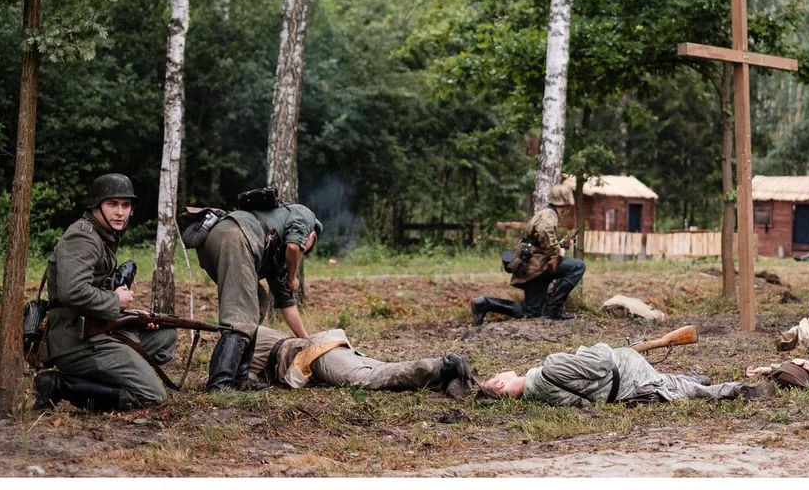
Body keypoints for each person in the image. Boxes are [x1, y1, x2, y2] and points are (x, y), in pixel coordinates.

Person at [34, 173, 178, 412]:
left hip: (97, 327)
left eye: (126, 205)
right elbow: (73, 292)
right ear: (96, 206)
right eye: (112, 204)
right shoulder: (83, 237)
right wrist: (115, 300)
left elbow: (96, 289)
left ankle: (112, 374)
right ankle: (61, 385)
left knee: (165, 337)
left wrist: (131, 315)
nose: (120, 212)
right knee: (152, 396)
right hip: (76, 339)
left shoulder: (104, 235)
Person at [195, 200, 323, 392]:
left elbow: (287, 305)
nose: (303, 251)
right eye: (307, 246)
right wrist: (293, 277)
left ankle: (240, 377)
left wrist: (306, 343)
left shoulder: (277, 258)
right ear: (311, 236)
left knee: (258, 299)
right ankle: (219, 383)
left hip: (215, 241)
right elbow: (294, 248)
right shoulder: (305, 215)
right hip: (234, 236)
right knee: (241, 313)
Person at [477, 342, 774, 405]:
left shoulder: (538, 398)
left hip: (622, 395)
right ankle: (735, 389)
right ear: (502, 383)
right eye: (494, 376)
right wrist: (586, 349)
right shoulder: (551, 365)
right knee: (677, 386)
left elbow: (583, 398)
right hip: (630, 373)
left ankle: (692, 380)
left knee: (674, 385)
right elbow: (603, 359)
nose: (498, 371)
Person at [247, 325, 477, 398]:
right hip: (319, 352)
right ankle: (443, 378)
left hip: (314, 356)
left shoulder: (244, 338)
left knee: (368, 377)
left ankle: (443, 365)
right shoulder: (250, 335)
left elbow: (244, 380)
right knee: (379, 372)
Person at [470, 183, 586, 323]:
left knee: (530, 312)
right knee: (578, 266)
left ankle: (485, 303)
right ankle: (554, 308)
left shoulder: (545, 213)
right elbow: (544, 232)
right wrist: (558, 250)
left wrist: (558, 244)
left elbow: (541, 240)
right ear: (566, 202)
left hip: (532, 267)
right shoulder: (549, 215)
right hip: (537, 267)